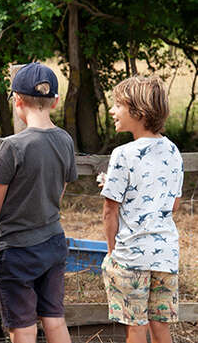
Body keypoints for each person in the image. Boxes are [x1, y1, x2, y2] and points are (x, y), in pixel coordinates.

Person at [0, 62, 77, 343]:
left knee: (23, 325)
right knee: (54, 318)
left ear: (17, 100)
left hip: (17, 248)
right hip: (53, 241)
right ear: (56, 101)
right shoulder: (65, 140)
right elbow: (59, 193)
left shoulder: (13, 146)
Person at [100, 76, 183, 343]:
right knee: (161, 326)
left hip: (131, 256)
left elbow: (109, 211)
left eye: (118, 105)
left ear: (138, 111)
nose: (112, 110)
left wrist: (113, 253)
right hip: (166, 255)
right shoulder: (173, 151)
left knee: (136, 327)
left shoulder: (123, 154)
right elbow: (173, 205)